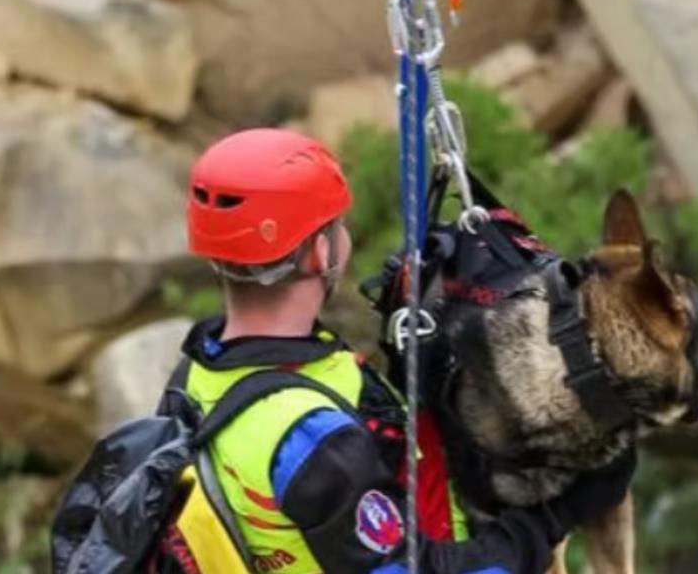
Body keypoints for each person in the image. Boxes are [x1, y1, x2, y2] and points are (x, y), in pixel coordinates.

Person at [154, 128, 634, 574]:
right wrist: (555, 516)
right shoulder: (312, 437)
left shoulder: (197, 377)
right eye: (337, 225)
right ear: (322, 252)